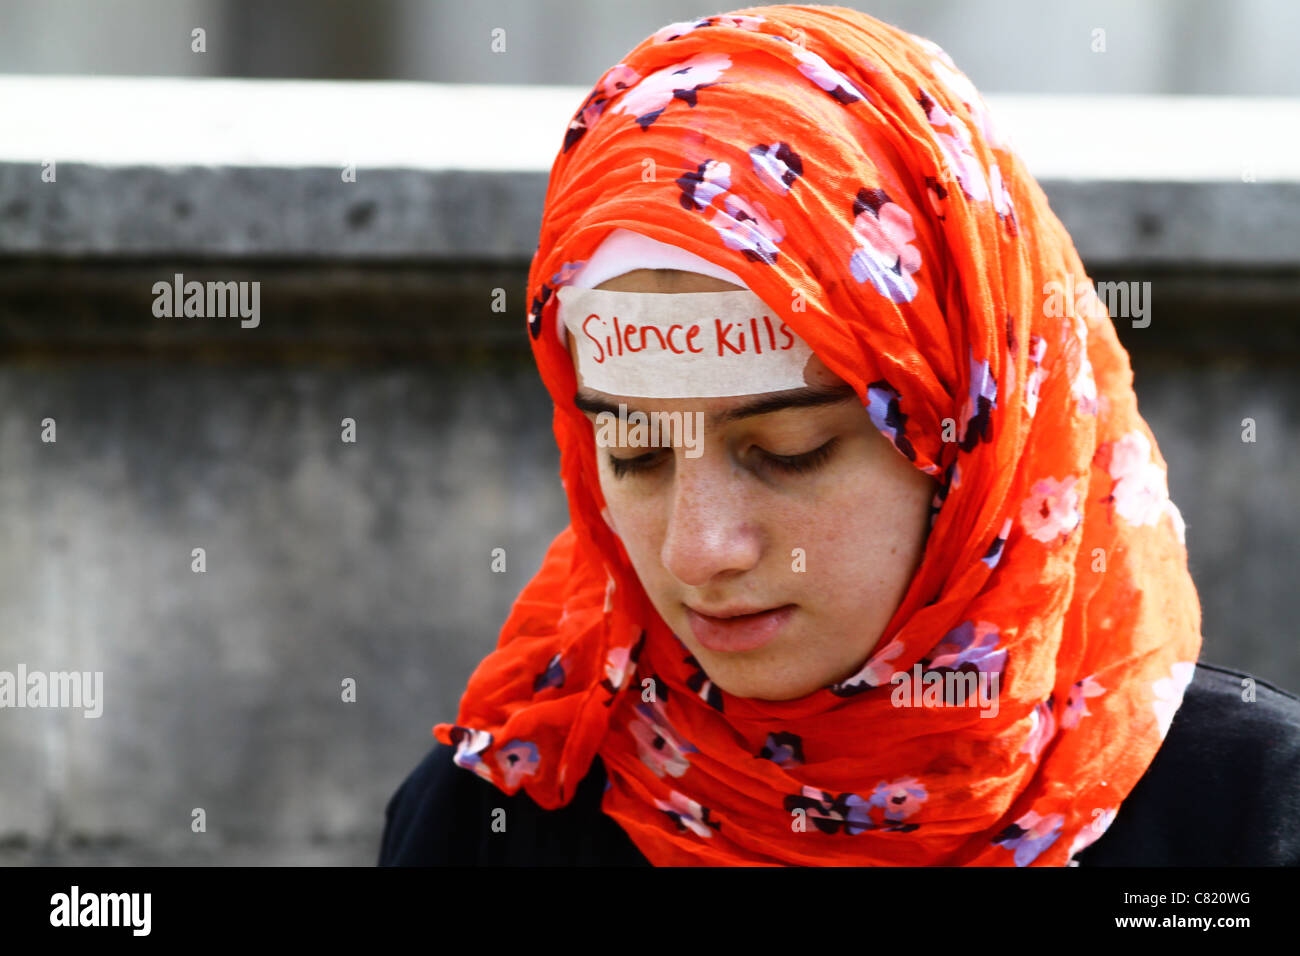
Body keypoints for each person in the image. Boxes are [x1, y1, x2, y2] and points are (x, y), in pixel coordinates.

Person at [380, 5, 1300, 866]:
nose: (698, 550)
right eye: (635, 455)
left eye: (789, 451)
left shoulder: (1237, 821)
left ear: (973, 450)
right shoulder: (499, 817)